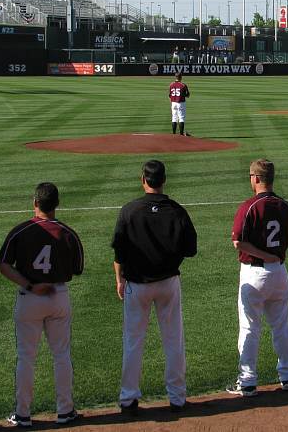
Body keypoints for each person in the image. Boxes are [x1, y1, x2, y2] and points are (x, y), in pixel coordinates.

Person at [113, 160, 198, 416]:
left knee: (133, 342)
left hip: (136, 285)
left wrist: (119, 279)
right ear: (163, 181)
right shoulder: (177, 211)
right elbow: (190, 249)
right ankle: (177, 398)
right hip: (168, 283)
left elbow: (119, 252)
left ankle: (128, 400)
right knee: (173, 340)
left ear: (143, 180)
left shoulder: (129, 211)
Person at [0, 182, 84, 428]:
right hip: (58, 296)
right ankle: (65, 411)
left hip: (30, 298)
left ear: (35, 203)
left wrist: (29, 284)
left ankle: (23, 414)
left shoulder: (20, 230)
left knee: (26, 357)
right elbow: (76, 269)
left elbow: (3, 265)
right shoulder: (68, 233)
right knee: (61, 355)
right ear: (57, 204)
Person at [226, 159, 288, 397]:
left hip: (254, 273)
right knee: (281, 326)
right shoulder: (284, 206)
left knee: (249, 328)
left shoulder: (249, 206)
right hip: (279, 272)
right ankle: (287, 376)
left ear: (256, 178)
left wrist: (264, 254)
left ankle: (247, 381)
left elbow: (238, 242)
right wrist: (275, 255)